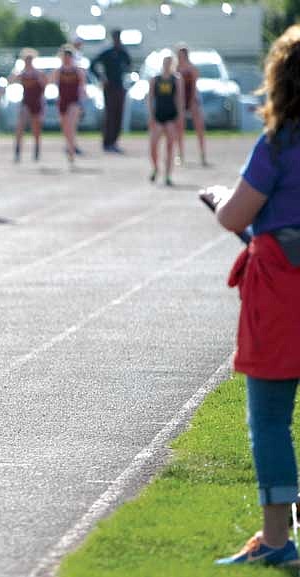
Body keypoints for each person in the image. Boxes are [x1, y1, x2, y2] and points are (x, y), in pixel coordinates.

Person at [207, 24, 300, 567]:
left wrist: (221, 197)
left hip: (282, 289)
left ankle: (276, 539)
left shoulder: (280, 142)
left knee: (269, 419)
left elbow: (235, 215)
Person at [90, 29, 131, 153]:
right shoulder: (107, 52)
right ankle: (107, 142)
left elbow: (128, 64)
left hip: (120, 87)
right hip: (109, 87)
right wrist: (101, 78)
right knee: (110, 114)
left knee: (119, 114)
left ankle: (114, 141)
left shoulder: (122, 51)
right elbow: (93, 65)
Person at [147, 52, 183, 186]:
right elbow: (150, 98)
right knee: (153, 145)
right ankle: (156, 168)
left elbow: (179, 98)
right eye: (165, 62)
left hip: (171, 116)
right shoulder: (155, 79)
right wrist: (151, 115)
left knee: (169, 145)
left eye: (169, 62)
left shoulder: (176, 79)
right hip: (158, 115)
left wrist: (180, 116)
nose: (167, 65)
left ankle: (168, 175)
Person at [8, 47, 46, 162]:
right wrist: (15, 74)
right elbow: (10, 80)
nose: (28, 62)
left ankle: (37, 149)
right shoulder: (22, 73)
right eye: (26, 59)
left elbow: (45, 85)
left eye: (30, 59)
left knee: (36, 128)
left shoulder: (38, 73)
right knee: (20, 125)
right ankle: (17, 150)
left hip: (37, 103)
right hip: (26, 102)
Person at [51, 45, 86, 166]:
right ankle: (70, 145)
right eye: (64, 57)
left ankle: (71, 151)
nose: (66, 59)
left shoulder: (78, 71)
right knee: (65, 127)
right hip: (62, 102)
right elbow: (53, 86)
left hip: (74, 102)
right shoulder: (58, 71)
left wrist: (82, 103)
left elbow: (82, 88)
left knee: (71, 125)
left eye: (68, 57)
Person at [175, 44, 208, 166]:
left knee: (199, 127)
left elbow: (193, 87)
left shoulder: (192, 68)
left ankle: (202, 154)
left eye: (182, 54)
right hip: (180, 101)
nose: (180, 56)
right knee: (180, 128)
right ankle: (180, 154)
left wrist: (191, 101)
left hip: (192, 99)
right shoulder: (176, 68)